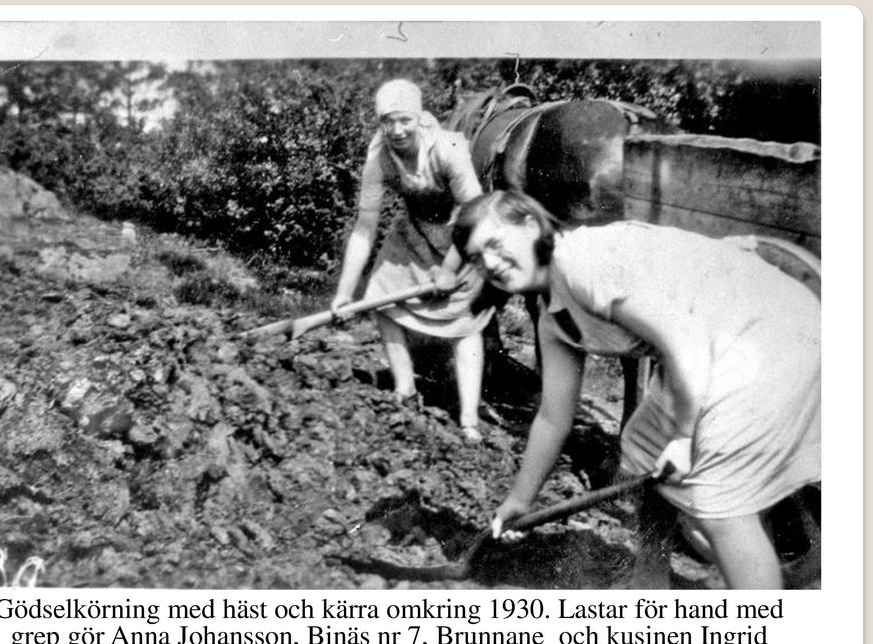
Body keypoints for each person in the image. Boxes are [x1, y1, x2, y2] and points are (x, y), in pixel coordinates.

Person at [451, 189, 820, 589]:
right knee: (644, 449)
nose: (489, 263)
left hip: (767, 335)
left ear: (530, 224)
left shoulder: (579, 263)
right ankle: (649, 579)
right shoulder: (551, 313)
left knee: (719, 507)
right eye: (475, 257)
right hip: (719, 346)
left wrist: (684, 435)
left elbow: (684, 341)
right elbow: (553, 417)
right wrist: (519, 502)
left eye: (494, 244)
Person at [331, 79, 493, 441]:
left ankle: (468, 419)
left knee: (464, 321)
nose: (397, 130)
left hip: (460, 234)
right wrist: (344, 294)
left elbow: (476, 214)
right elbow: (365, 227)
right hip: (415, 231)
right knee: (379, 296)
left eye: (404, 119)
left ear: (419, 118)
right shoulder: (379, 156)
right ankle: (405, 390)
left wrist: (449, 269)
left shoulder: (449, 148)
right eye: (387, 121)